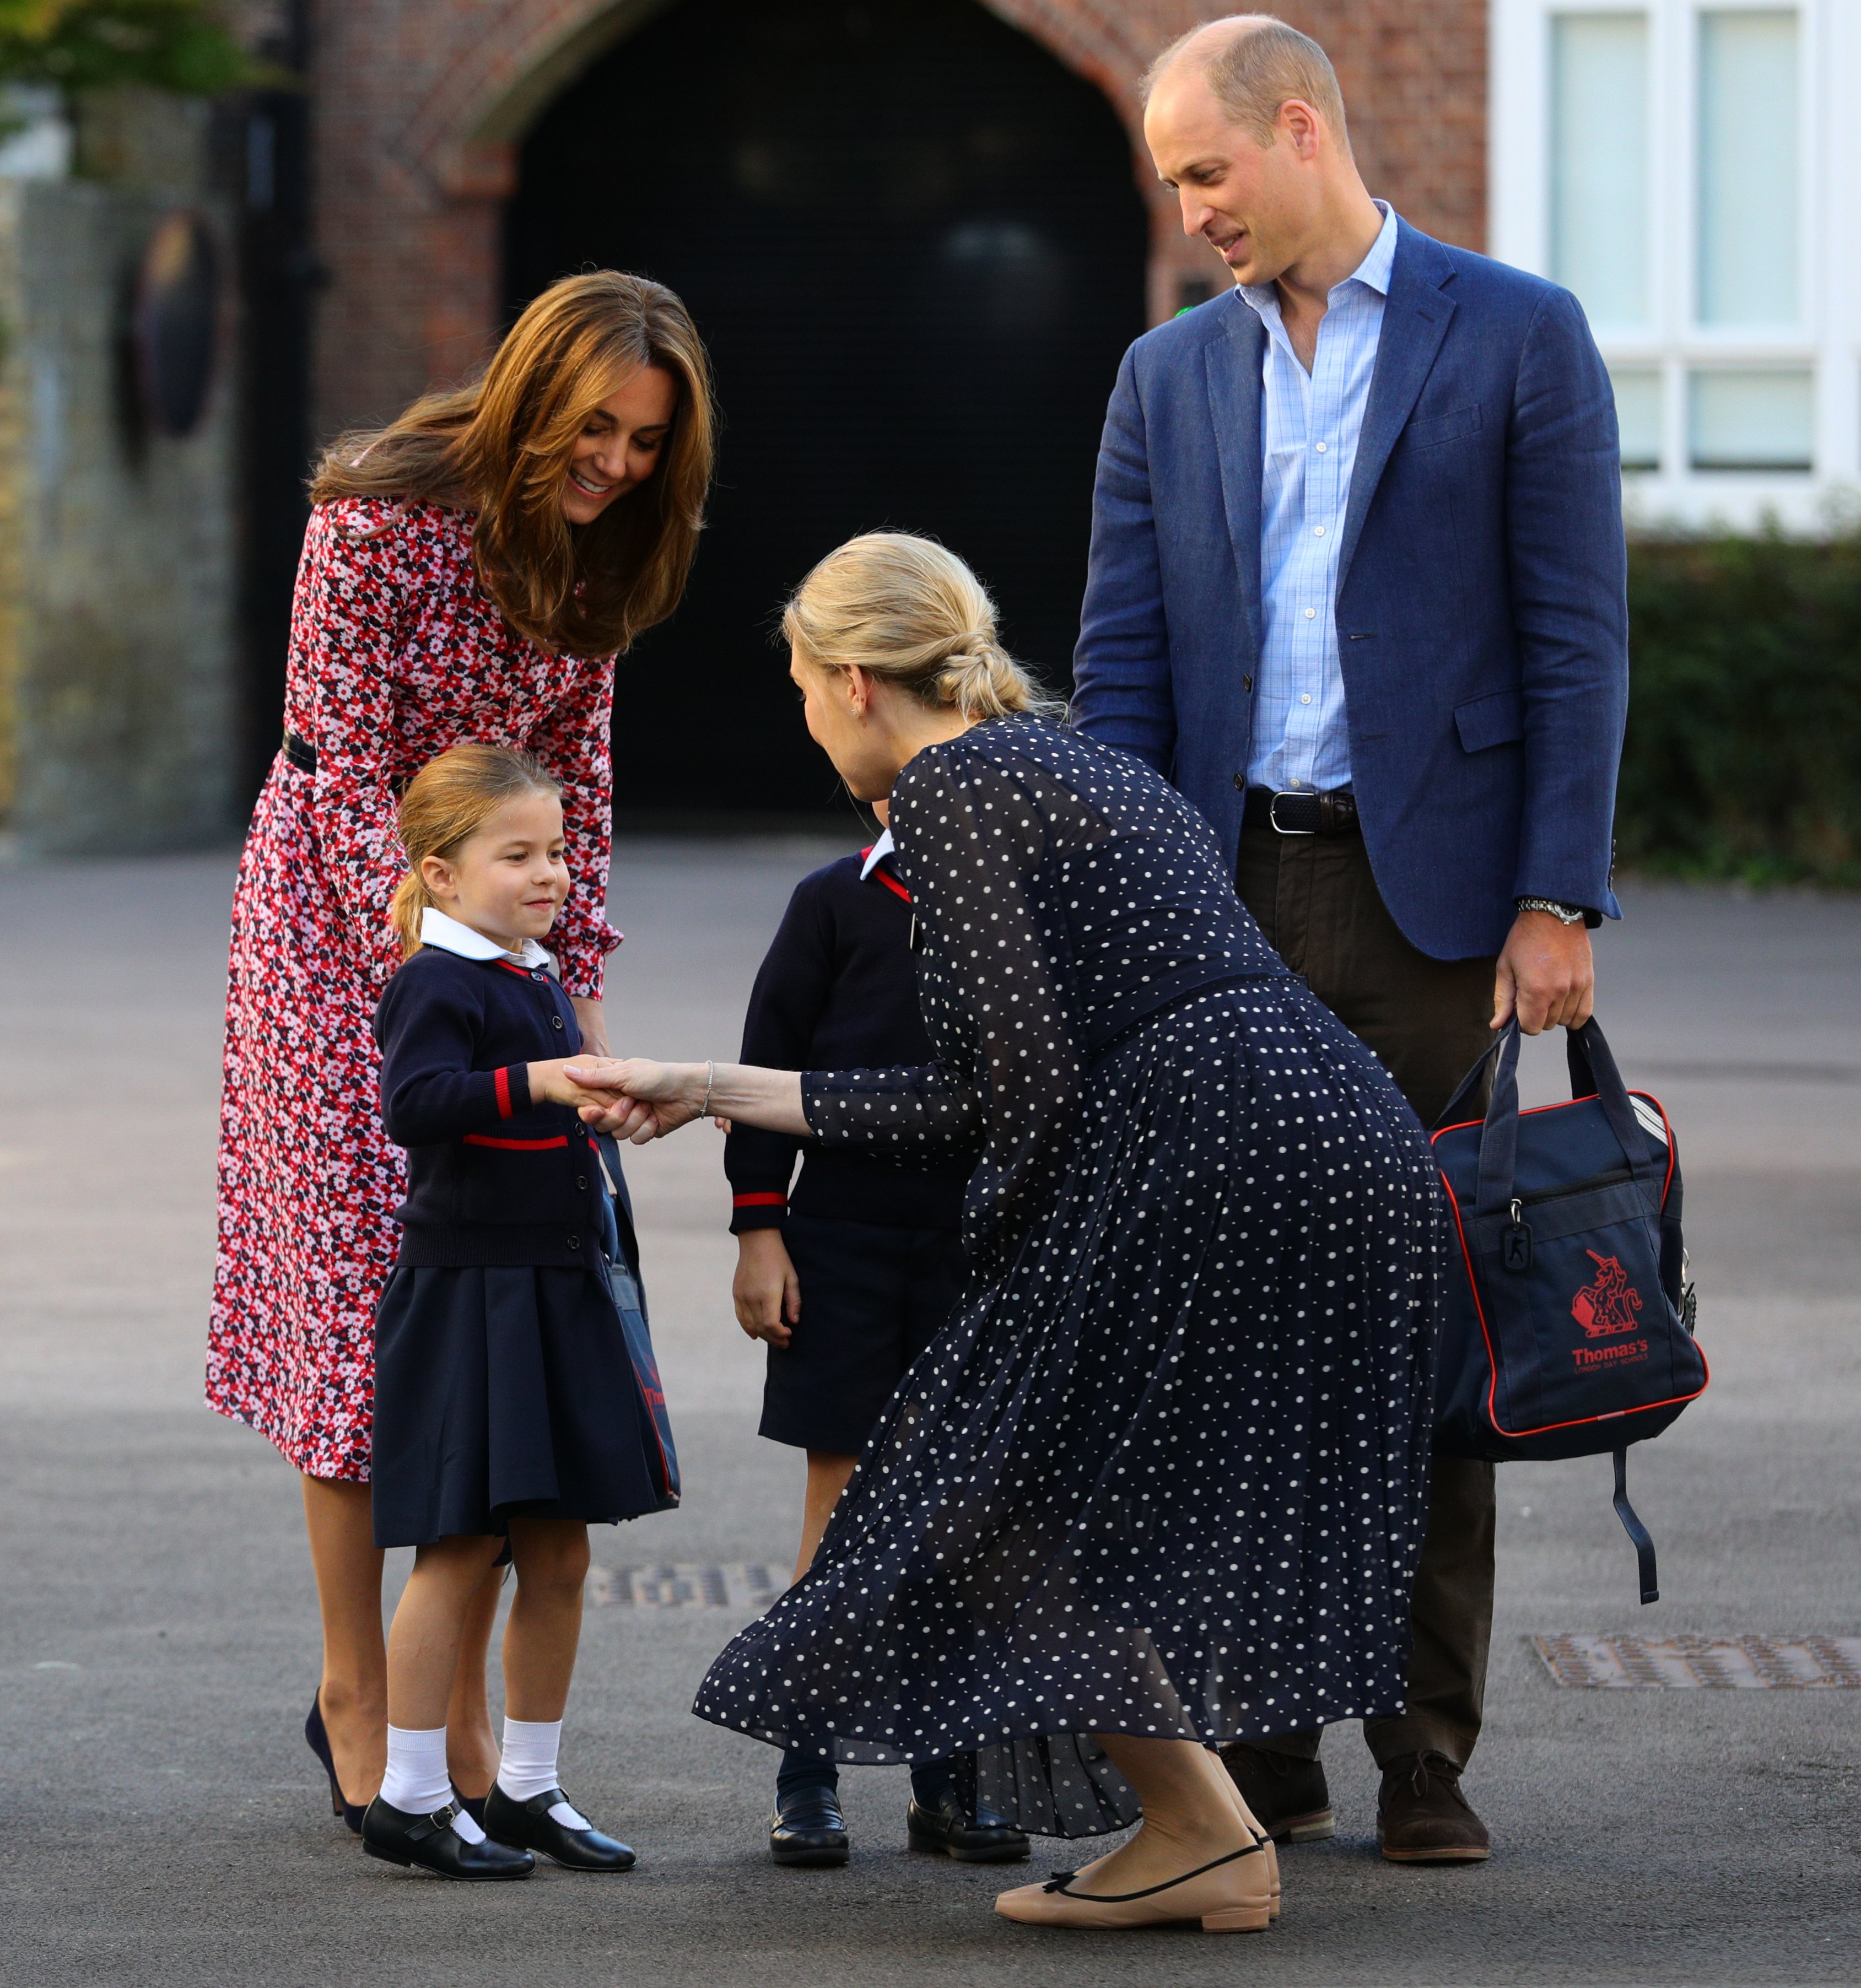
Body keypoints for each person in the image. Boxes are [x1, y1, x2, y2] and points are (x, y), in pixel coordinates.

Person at [564, 532, 1443, 1934]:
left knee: (984, 1489)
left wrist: (991, 1280)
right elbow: (1002, 1077)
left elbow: (989, 1099)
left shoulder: (953, 788)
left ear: (854, 681)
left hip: (1204, 1147)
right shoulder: (1073, 758)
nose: (801, 720)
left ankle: (1201, 1831)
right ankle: (1202, 1832)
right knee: (1055, 1496)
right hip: (1327, 1126)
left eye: (797, 687)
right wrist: (713, 1088)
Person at [1071, 15, 1628, 1863]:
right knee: (1231, 1328)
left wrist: (1555, 895)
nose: (1189, 211)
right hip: (1225, 895)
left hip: (1431, 915)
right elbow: (1123, 665)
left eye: (1203, 172)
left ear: (1296, 130)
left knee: (1419, 1314)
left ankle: (1424, 1749)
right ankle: (1265, 1737)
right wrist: (1125, 910)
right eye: (1175, 186)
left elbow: (1573, 634)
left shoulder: (1513, 330)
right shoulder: (1162, 379)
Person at [206, 271, 715, 1831]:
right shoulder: (376, 513)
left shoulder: (608, 547)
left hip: (501, 931)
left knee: (498, 1316)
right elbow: (354, 769)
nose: (620, 463)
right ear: (529, 394)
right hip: (337, 928)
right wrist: (468, 969)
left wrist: (582, 992)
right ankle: (358, 1694)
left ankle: (460, 1723)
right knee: (371, 1316)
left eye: (648, 442)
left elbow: (583, 786)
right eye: (600, 428)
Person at [358, 743, 671, 1879]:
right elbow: (416, 1105)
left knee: (561, 1550)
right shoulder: (435, 981)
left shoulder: (531, 973)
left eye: (559, 851)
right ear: (441, 875)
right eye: (518, 855)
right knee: (458, 1548)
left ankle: (528, 1788)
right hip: (471, 1294)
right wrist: (542, 1083)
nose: (551, 874)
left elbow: (549, 1117)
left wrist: (614, 1100)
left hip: (557, 1282)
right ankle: (408, 1794)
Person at [725, 799, 1025, 1868]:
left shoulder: (1018, 904)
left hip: (976, 1245)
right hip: (840, 1241)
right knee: (839, 1507)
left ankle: (949, 1778)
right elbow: (764, 1063)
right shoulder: (833, 903)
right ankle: (805, 1770)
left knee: (962, 1516)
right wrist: (758, 1228)